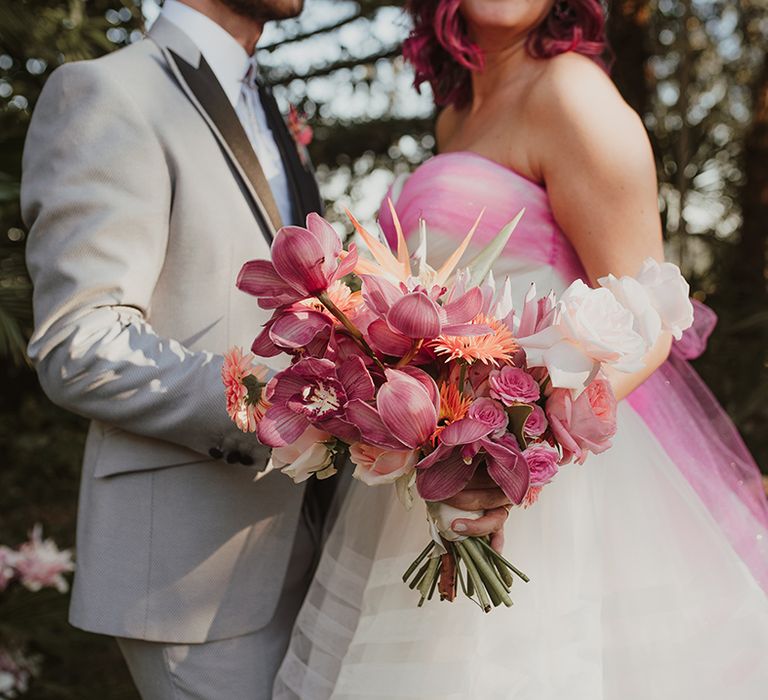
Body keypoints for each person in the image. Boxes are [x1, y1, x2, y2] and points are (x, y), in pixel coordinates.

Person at [273, 1, 768, 698]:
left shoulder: (571, 91)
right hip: (428, 470)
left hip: (540, 474)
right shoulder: (457, 116)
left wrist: (515, 447)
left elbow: (655, 314)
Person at [21, 1, 321, 697]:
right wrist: (279, 404)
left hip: (312, 540)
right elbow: (81, 341)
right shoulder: (106, 90)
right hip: (191, 571)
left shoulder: (267, 107)